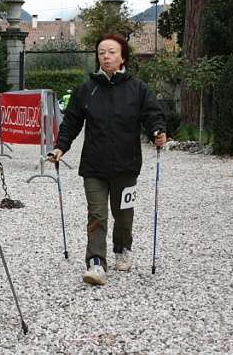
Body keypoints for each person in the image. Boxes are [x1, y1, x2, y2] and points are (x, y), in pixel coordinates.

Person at [48, 32, 166, 286]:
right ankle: (96, 263)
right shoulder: (86, 89)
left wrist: (158, 131)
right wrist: (60, 147)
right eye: (101, 53)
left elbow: (152, 115)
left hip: (127, 165)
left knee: (124, 214)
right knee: (97, 214)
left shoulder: (138, 88)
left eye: (112, 52)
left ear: (123, 57)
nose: (106, 56)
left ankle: (122, 249)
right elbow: (71, 122)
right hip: (94, 166)